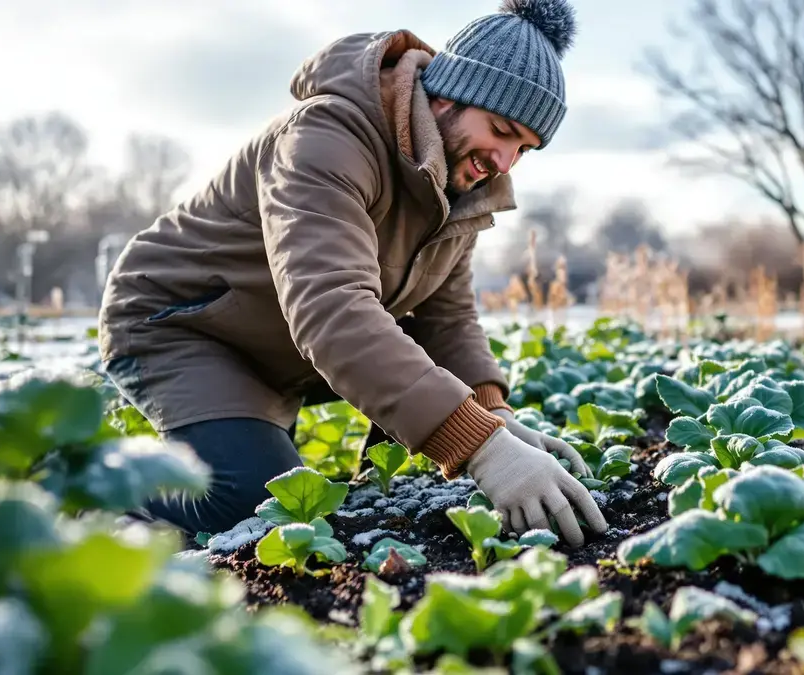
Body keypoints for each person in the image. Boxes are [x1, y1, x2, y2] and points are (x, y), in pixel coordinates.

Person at [97, 0, 608, 547]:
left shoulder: (456, 186)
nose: (505, 162)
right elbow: (332, 309)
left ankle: (248, 443)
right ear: (449, 96)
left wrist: (494, 415)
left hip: (274, 344)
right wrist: (479, 448)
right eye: (501, 130)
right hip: (181, 325)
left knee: (281, 492)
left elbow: (447, 318)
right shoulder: (326, 138)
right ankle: (84, 494)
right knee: (254, 504)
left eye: (524, 149)